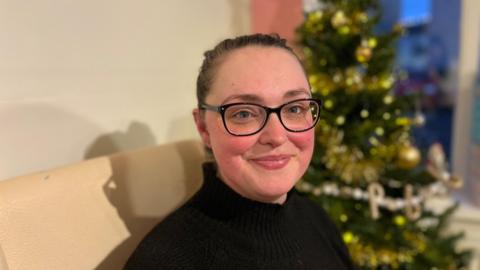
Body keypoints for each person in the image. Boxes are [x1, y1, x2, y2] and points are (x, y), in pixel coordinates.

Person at [125, 34, 354, 270]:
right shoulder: (165, 261)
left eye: (295, 108)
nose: (276, 136)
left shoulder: (314, 218)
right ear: (203, 127)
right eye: (243, 114)